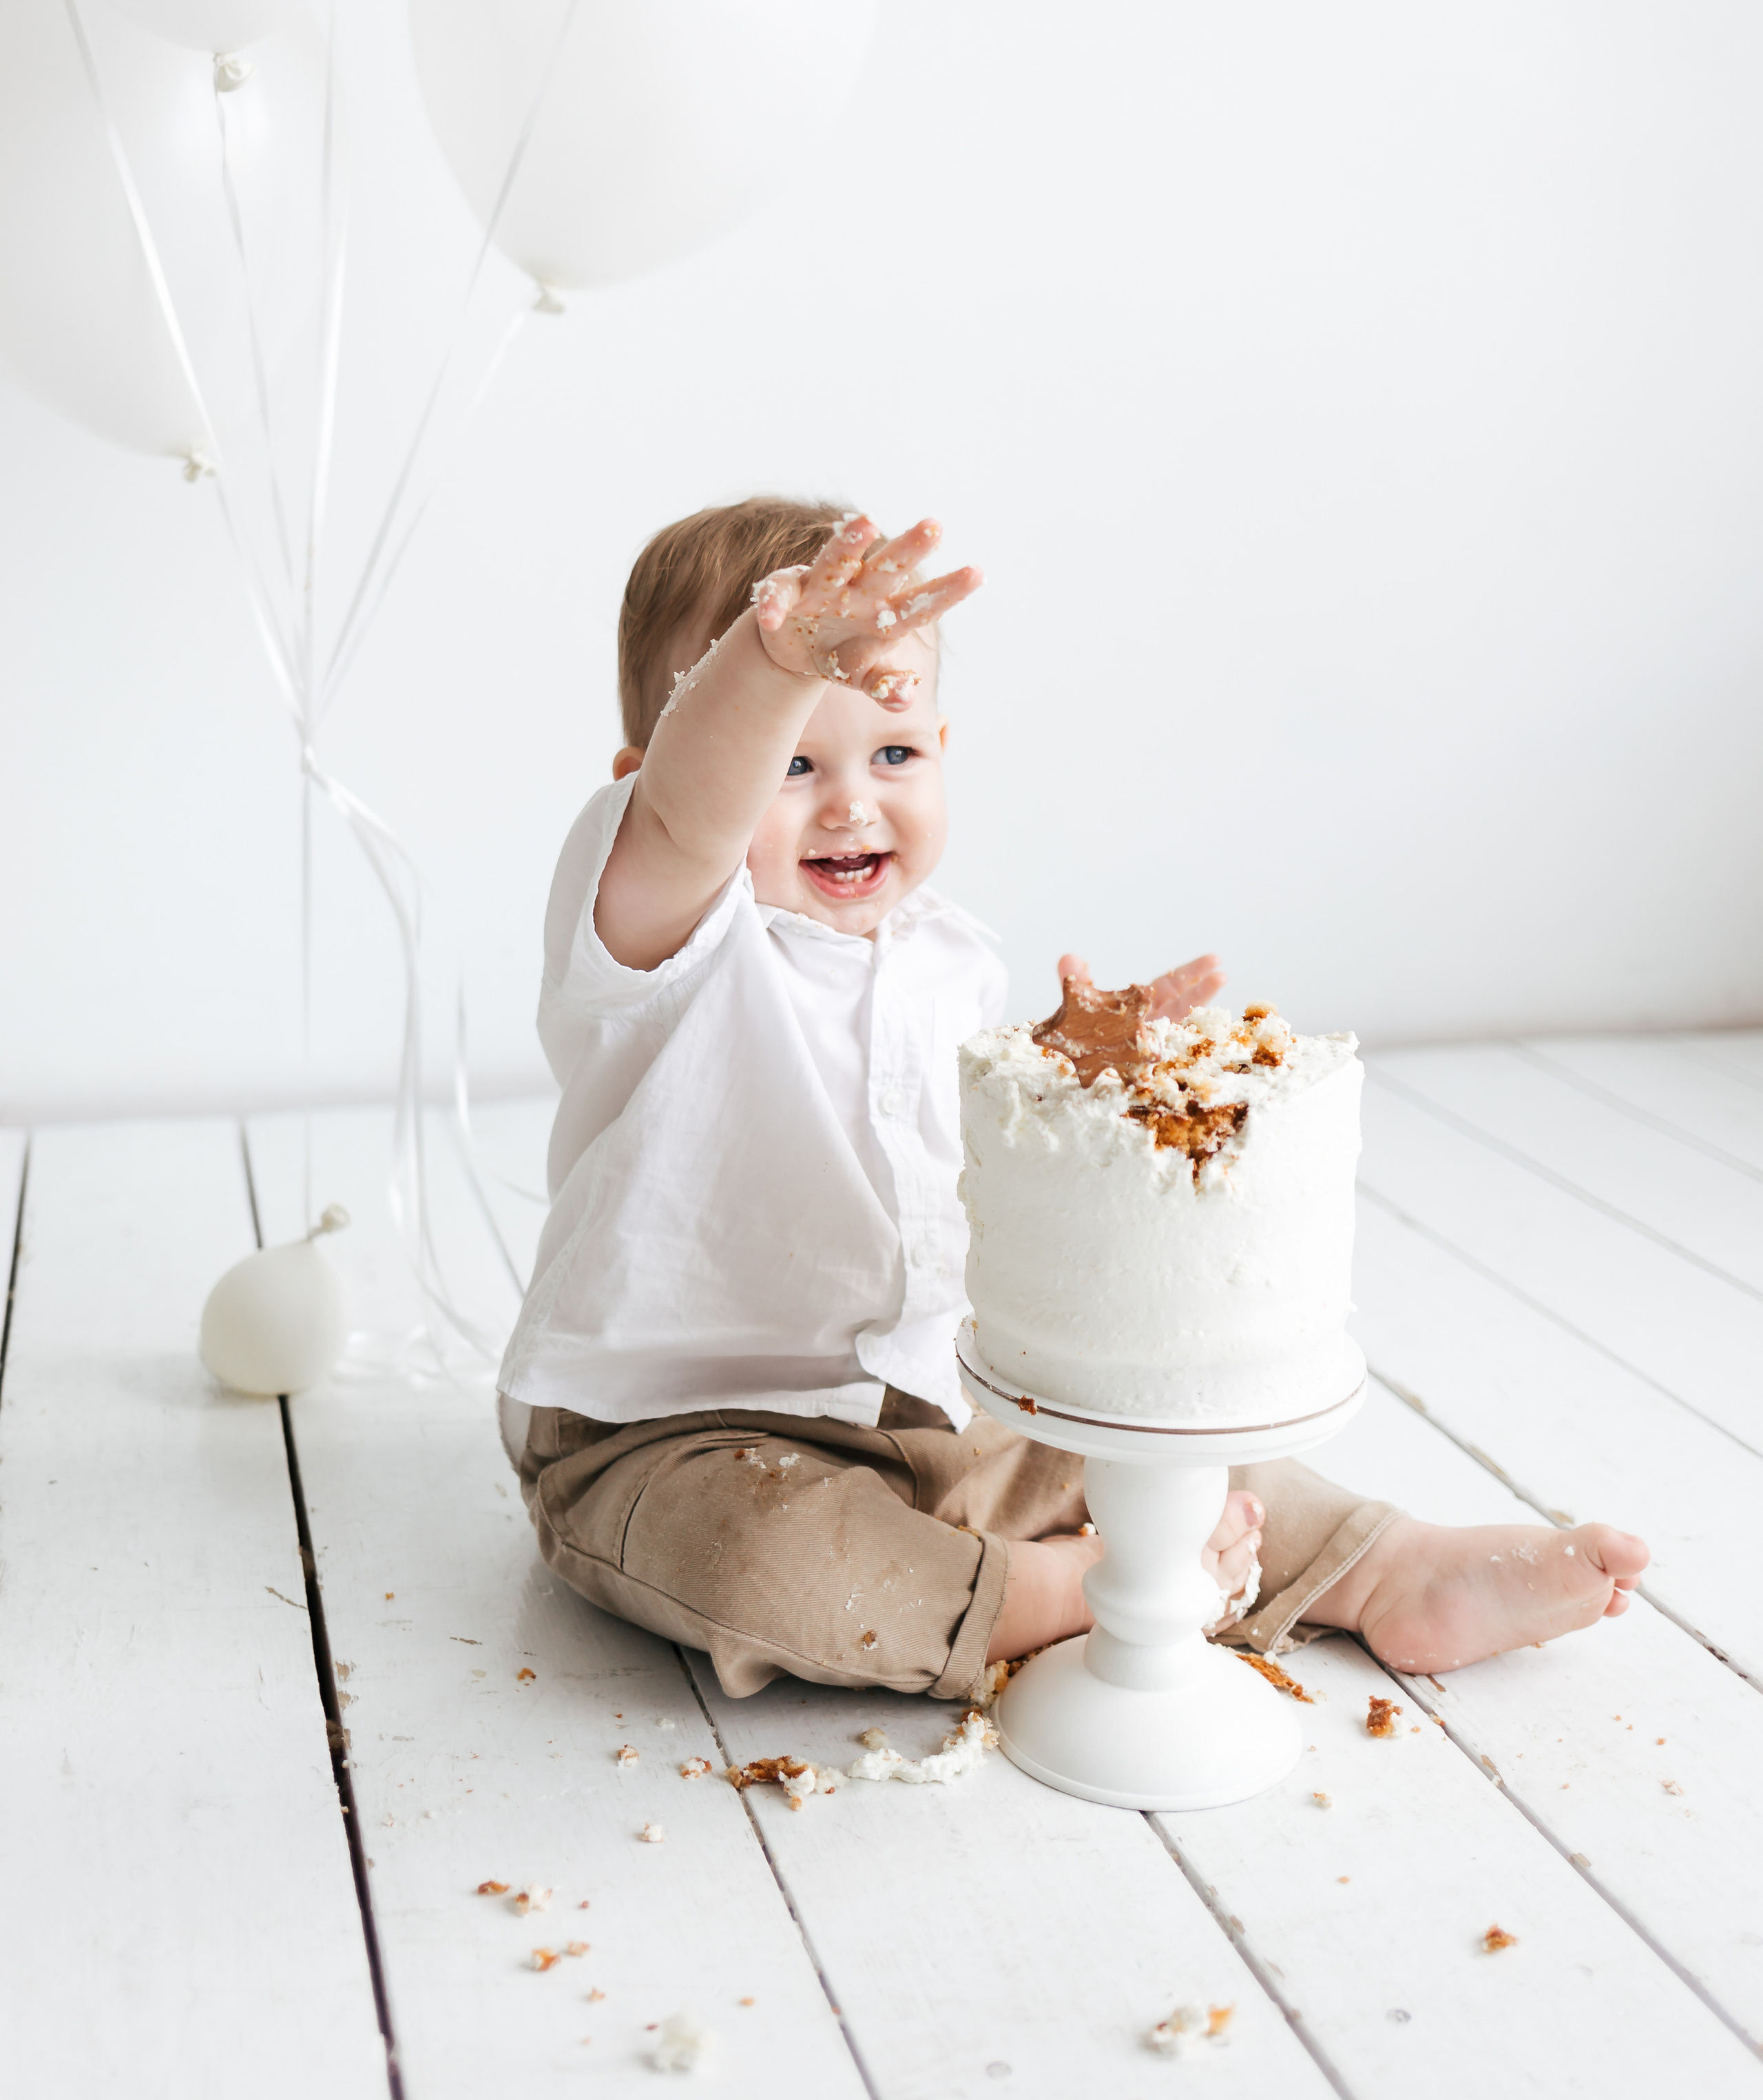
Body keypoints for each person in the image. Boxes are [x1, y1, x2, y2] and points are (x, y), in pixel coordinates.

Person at [497, 497, 1649, 1699]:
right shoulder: (658, 932)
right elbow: (691, 813)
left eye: (894, 754)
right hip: (676, 1435)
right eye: (791, 763)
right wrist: (769, 664)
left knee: (1139, 1435)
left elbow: (951, 1153)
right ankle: (1074, 1590)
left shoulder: (948, 957)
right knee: (769, 1561)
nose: (850, 804)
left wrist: (1069, 1061)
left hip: (929, 1405)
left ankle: (1382, 1567)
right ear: (646, 782)